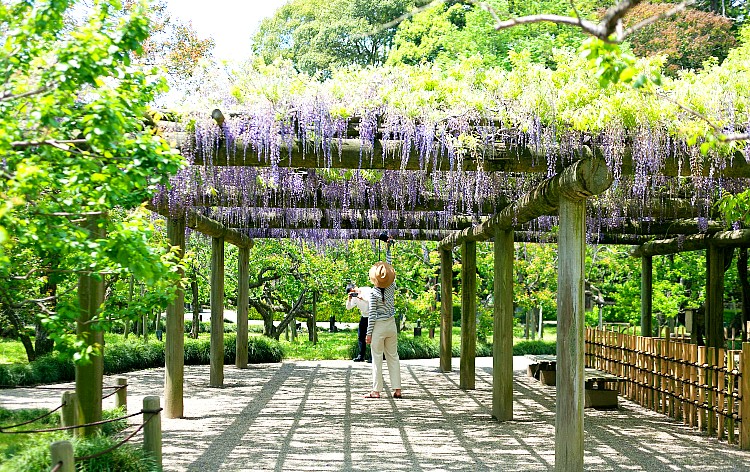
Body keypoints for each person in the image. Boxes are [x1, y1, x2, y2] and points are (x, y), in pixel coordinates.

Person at [364, 238, 402, 399]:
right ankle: (397, 389)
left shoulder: (373, 293)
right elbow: (389, 269)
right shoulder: (391, 287)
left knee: (377, 358)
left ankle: (376, 391)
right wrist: (388, 249)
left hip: (378, 326)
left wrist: (369, 333)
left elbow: (372, 314)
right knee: (393, 356)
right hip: (391, 325)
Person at [346, 283, 372, 362]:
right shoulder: (354, 297)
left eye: (354, 291)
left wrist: (363, 298)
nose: (354, 293)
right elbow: (348, 307)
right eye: (352, 292)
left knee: (372, 336)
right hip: (364, 316)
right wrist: (349, 299)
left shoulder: (367, 290)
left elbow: (373, 302)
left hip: (372, 316)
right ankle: (361, 356)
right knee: (361, 336)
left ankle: (372, 356)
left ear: (356, 287)